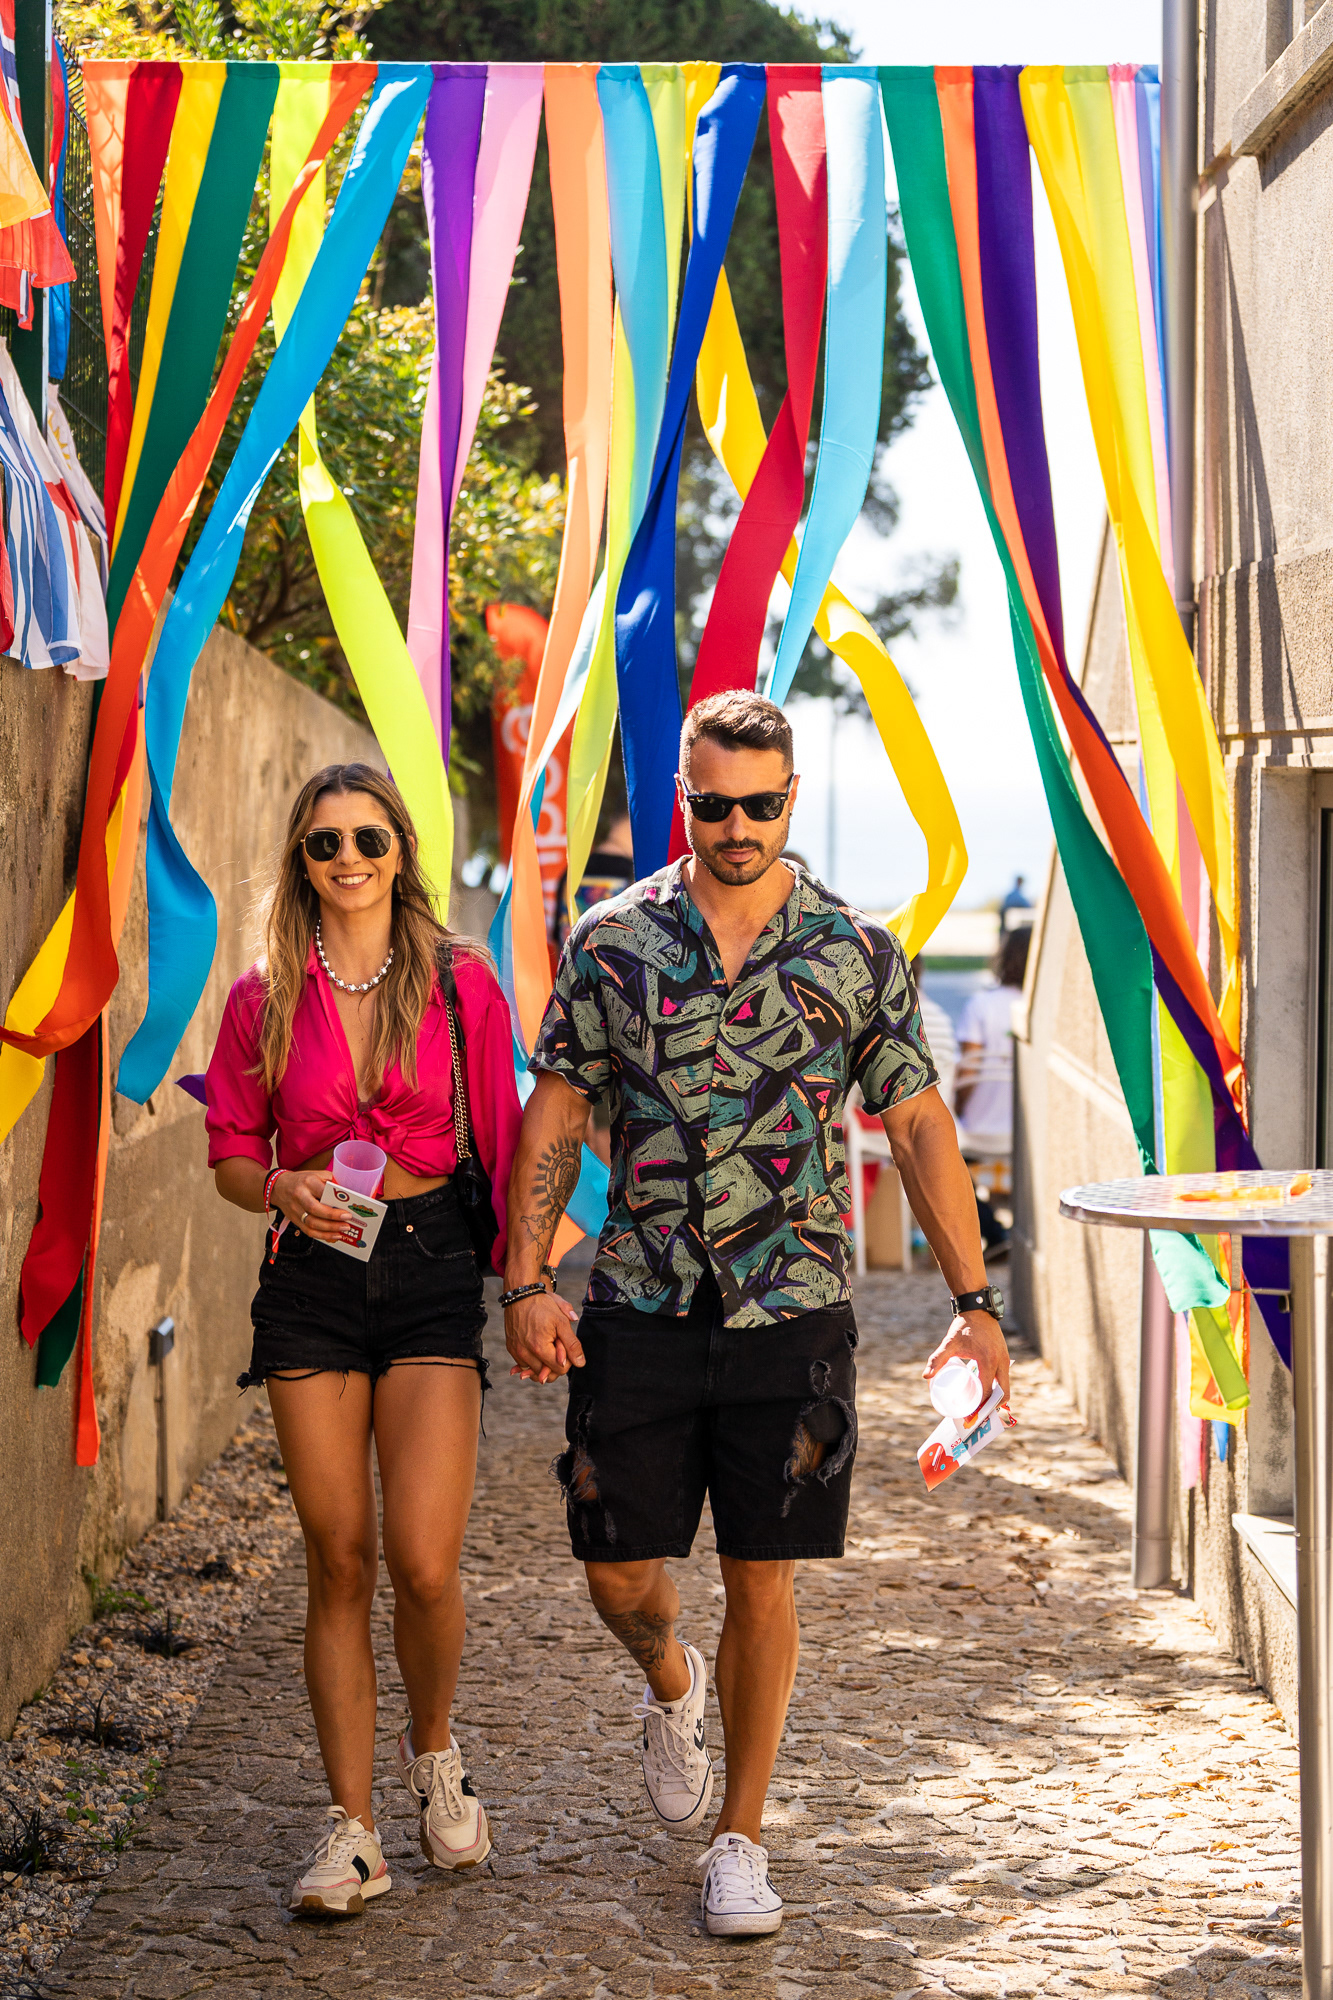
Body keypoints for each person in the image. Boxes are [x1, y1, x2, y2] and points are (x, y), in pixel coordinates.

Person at [501, 691, 1009, 1941]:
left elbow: (918, 1123)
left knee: (761, 1576)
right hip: (639, 1301)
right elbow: (557, 1108)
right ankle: (668, 1679)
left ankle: (741, 1838)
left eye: (761, 804)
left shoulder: (852, 950)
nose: (738, 826)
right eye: (714, 803)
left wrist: (974, 1302)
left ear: (790, 799)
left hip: (794, 1309)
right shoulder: (613, 942)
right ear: (685, 797)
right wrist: (524, 1278)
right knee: (616, 1568)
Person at [205, 763, 521, 1916]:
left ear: (400, 852)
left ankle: (432, 1747)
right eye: (325, 841)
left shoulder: (460, 984)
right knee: (338, 1554)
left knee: (424, 1561)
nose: (348, 858)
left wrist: (530, 1283)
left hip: (431, 1265)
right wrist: (277, 1185)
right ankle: (352, 1830)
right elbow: (231, 1150)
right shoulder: (263, 995)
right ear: (301, 858)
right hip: (312, 1277)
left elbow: (509, 1138)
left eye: (368, 839)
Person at [954, 923, 1032, 1253]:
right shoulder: (1038, 1007)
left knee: (944, 1154)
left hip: (979, 1127)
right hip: (1027, 1130)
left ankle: (992, 1230)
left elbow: (969, 1069)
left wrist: (957, 1108)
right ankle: (1004, 1231)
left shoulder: (981, 1005)